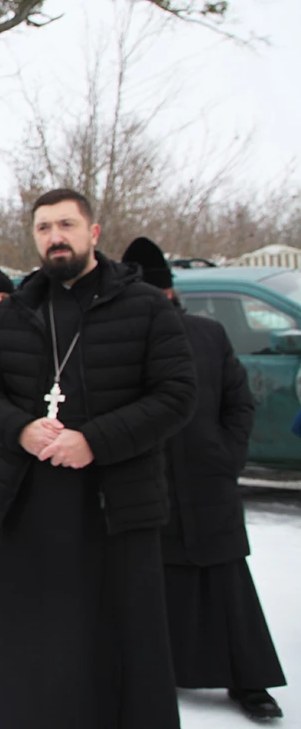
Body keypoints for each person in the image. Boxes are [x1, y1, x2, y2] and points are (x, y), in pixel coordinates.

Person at [0, 188, 197, 729]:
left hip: (116, 506)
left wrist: (94, 440)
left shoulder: (144, 305)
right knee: (35, 641)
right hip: (31, 504)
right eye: (44, 228)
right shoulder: (16, 309)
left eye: (66, 225)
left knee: (118, 640)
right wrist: (21, 429)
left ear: (93, 233)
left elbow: (178, 394)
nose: (55, 237)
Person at [123, 237, 286, 721]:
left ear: (170, 292)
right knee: (156, 583)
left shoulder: (207, 334)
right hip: (150, 484)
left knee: (226, 584)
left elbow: (239, 403)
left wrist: (226, 456)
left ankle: (248, 680)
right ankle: (154, 672)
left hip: (207, 480)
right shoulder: (122, 342)